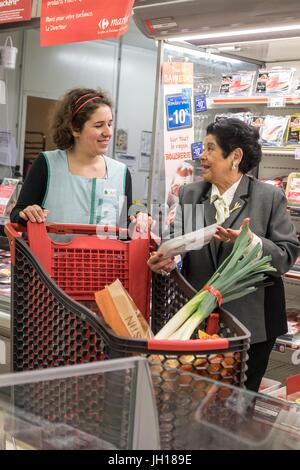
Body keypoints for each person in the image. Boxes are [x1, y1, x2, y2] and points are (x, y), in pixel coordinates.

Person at [148, 118, 300, 392]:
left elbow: (285, 256)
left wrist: (251, 241)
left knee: (240, 403)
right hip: (198, 319)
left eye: (210, 149)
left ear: (235, 156)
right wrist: (165, 259)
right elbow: (177, 241)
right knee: (197, 398)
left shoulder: (268, 197)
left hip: (253, 324)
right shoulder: (192, 194)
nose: (201, 157)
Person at [11, 87, 132, 228]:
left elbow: (125, 227)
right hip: (52, 250)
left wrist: (138, 221)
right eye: (99, 125)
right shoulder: (47, 164)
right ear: (75, 128)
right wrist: (27, 214)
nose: (108, 132)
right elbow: (16, 213)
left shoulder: (121, 173)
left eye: (110, 124)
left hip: (107, 251)